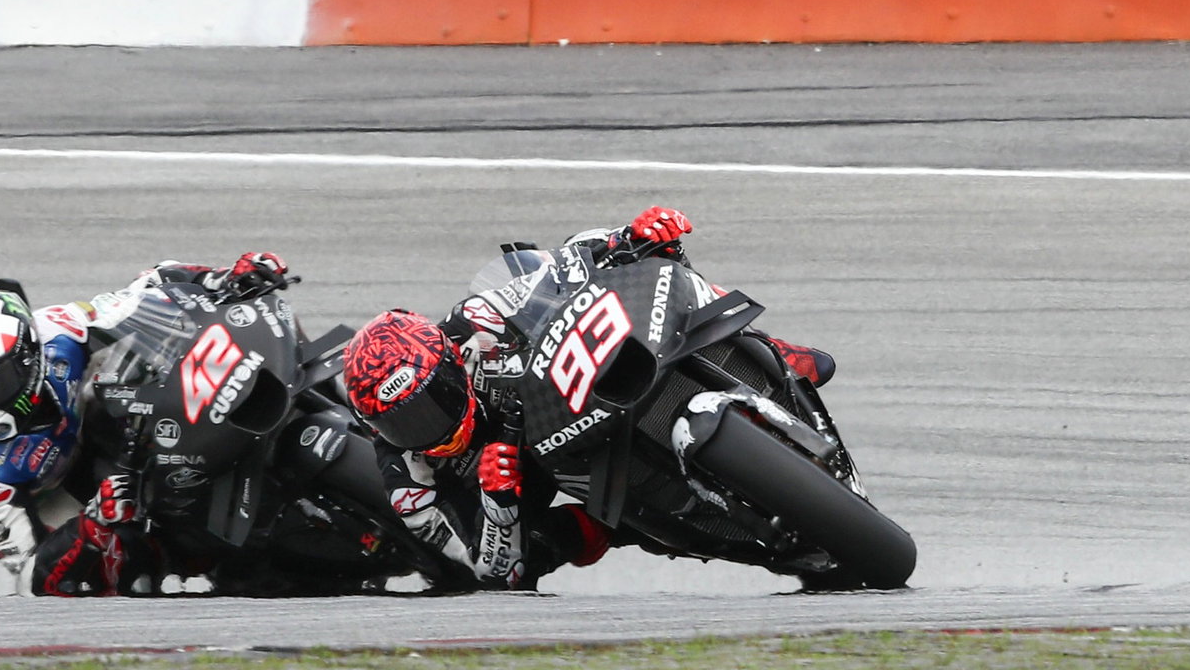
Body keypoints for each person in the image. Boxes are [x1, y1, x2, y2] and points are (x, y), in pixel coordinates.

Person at [339, 206, 835, 592]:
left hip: (561, 398)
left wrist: (628, 238)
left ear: (447, 361)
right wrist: (498, 502)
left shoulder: (474, 320)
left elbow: (561, 266)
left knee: (664, 274)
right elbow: (489, 572)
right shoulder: (407, 482)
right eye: (402, 423)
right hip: (524, 484)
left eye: (431, 402)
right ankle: (656, 524)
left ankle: (768, 351)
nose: (427, 427)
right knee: (542, 551)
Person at [0, 252, 289, 596]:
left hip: (101, 418)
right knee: (119, 570)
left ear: (27, 355)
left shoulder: (58, 330)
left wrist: (222, 278)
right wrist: (91, 526)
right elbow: (31, 578)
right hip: (59, 493)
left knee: (139, 356)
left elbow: (147, 288)